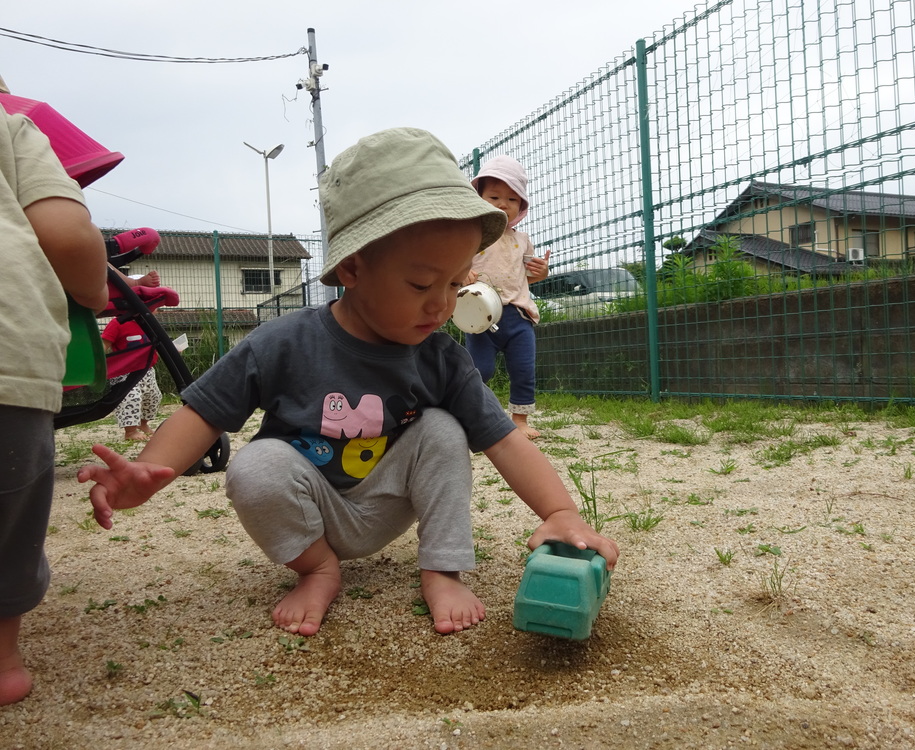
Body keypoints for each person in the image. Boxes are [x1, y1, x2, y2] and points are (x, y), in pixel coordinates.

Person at [77, 127, 619, 639]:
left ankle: (443, 569)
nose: (442, 304)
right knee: (255, 465)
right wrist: (151, 469)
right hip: (307, 508)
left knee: (442, 428)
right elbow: (203, 413)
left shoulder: (441, 357)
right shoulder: (284, 343)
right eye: (422, 283)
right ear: (354, 269)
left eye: (456, 284)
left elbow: (504, 439)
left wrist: (560, 512)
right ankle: (317, 569)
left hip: (387, 499)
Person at [0, 105, 109, 705]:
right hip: (6, 355)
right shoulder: (11, 126)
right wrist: (93, 289)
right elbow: (66, 234)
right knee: (8, 515)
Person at [464, 156, 550, 440]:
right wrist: (462, 272)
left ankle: (520, 420)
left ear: (521, 206)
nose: (503, 204)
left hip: (518, 315)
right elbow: (455, 267)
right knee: (480, 370)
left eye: (512, 199)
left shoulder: (522, 239)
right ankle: (475, 415)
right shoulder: (471, 235)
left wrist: (542, 272)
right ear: (478, 197)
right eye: (494, 196)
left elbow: (526, 277)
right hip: (480, 314)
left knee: (523, 369)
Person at [101, 314, 163, 440]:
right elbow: (104, 345)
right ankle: (130, 431)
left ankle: (142, 424)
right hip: (124, 370)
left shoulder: (149, 323)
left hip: (146, 369)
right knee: (131, 397)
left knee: (153, 397)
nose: (156, 309)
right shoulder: (117, 323)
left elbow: (156, 344)